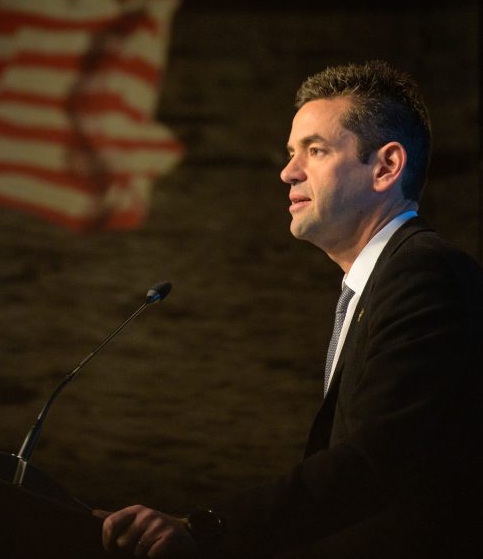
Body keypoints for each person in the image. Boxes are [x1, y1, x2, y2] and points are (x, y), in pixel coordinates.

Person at [97, 60, 483, 558]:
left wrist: (208, 530)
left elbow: (372, 465)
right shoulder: (384, 283)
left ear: (386, 167)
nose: (287, 172)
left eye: (315, 150)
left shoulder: (423, 277)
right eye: (290, 153)